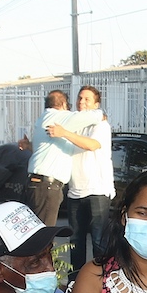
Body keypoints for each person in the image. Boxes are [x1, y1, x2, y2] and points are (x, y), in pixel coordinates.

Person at [57, 86, 115, 274]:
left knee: (99, 241)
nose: (81, 102)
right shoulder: (72, 124)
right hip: (75, 191)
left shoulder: (100, 125)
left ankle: (102, 283)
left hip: (97, 191)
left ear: (96, 104)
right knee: (75, 241)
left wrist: (65, 133)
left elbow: (91, 145)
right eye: (80, 98)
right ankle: (76, 283)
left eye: (87, 99)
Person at [26, 90, 104, 226]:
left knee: (36, 230)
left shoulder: (43, 118)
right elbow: (95, 116)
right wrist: (101, 114)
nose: (80, 102)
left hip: (38, 183)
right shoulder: (59, 117)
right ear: (63, 104)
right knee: (44, 233)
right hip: (47, 186)